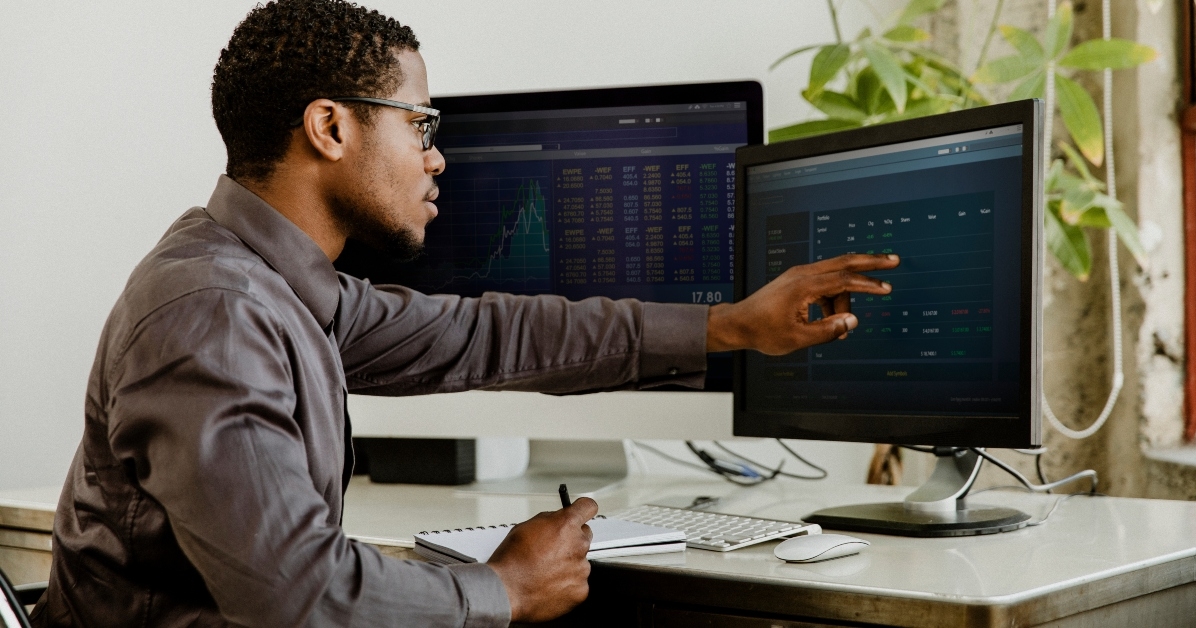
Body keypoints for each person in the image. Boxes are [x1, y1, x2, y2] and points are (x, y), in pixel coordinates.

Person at [31, 1, 899, 626]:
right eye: (421, 122)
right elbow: (299, 596)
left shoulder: (284, 287)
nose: (436, 155)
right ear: (330, 128)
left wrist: (729, 328)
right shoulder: (213, 312)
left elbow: (485, 334)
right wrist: (506, 588)